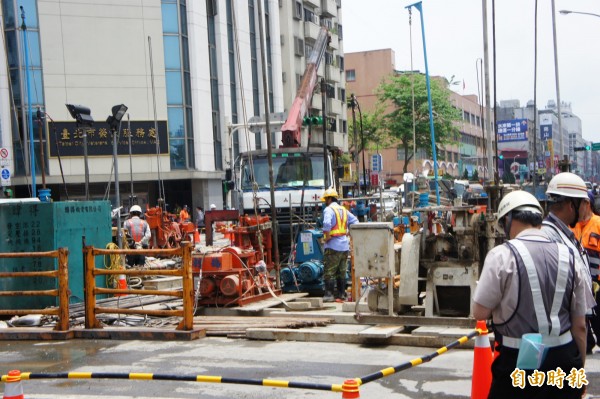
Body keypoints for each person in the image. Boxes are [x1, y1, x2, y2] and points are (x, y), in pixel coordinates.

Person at [472, 190, 589, 399]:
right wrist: (578, 372)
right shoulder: (570, 255)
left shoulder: (501, 255)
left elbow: (479, 312)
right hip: (563, 361)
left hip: (516, 363)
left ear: (508, 220)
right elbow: (580, 325)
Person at [542, 172, 597, 351]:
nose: (585, 208)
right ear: (571, 205)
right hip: (563, 330)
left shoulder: (563, 234)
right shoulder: (551, 237)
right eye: (582, 203)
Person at [571, 190, 600, 354]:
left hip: (598, 283)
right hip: (580, 282)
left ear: (587, 204)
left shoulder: (598, 224)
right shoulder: (571, 226)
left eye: (578, 204)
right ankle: (586, 343)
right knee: (582, 317)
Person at [320, 187, 358, 302]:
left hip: (332, 246)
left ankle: (329, 294)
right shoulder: (343, 209)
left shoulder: (328, 210)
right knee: (341, 271)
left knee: (329, 271)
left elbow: (326, 223)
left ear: (329, 199)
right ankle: (342, 294)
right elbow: (355, 221)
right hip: (344, 246)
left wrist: (326, 237)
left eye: (326, 199)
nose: (325, 202)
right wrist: (348, 232)